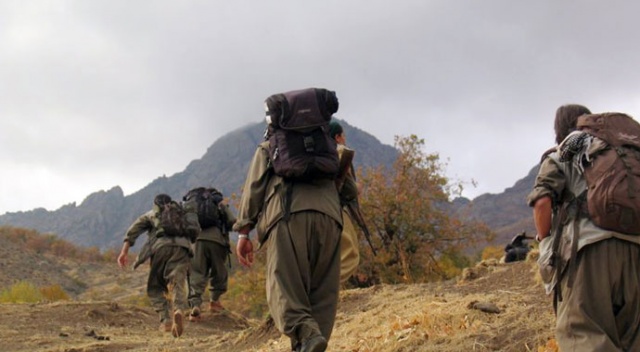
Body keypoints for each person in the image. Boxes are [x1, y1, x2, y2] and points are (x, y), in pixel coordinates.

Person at [527, 104, 640, 351]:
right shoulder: (622, 153)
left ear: (559, 129)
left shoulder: (565, 152)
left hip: (588, 254)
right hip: (635, 251)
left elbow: (542, 201)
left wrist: (544, 240)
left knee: (584, 334)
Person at [233, 125, 343, 351]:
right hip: (330, 220)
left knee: (283, 286)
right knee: (322, 293)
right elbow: (350, 190)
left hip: (288, 215)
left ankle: (307, 333)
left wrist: (244, 231)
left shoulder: (269, 148)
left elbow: (254, 189)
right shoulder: (328, 146)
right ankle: (310, 342)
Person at [117, 194, 197, 337]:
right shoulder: (181, 213)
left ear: (156, 204)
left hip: (160, 248)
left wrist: (124, 252)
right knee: (177, 281)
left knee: (155, 286)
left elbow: (133, 231)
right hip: (182, 248)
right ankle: (178, 309)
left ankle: (165, 320)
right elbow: (195, 231)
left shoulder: (152, 214)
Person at [187, 192, 237, 321]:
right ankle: (214, 301)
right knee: (218, 271)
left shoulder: (194, 205)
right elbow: (232, 221)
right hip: (217, 241)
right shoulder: (218, 202)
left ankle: (195, 306)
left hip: (197, 241)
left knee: (197, 273)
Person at [329, 121, 361, 283]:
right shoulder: (340, 152)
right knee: (350, 254)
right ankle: (326, 290)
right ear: (337, 137)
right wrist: (356, 187)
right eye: (343, 135)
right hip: (333, 209)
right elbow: (350, 191)